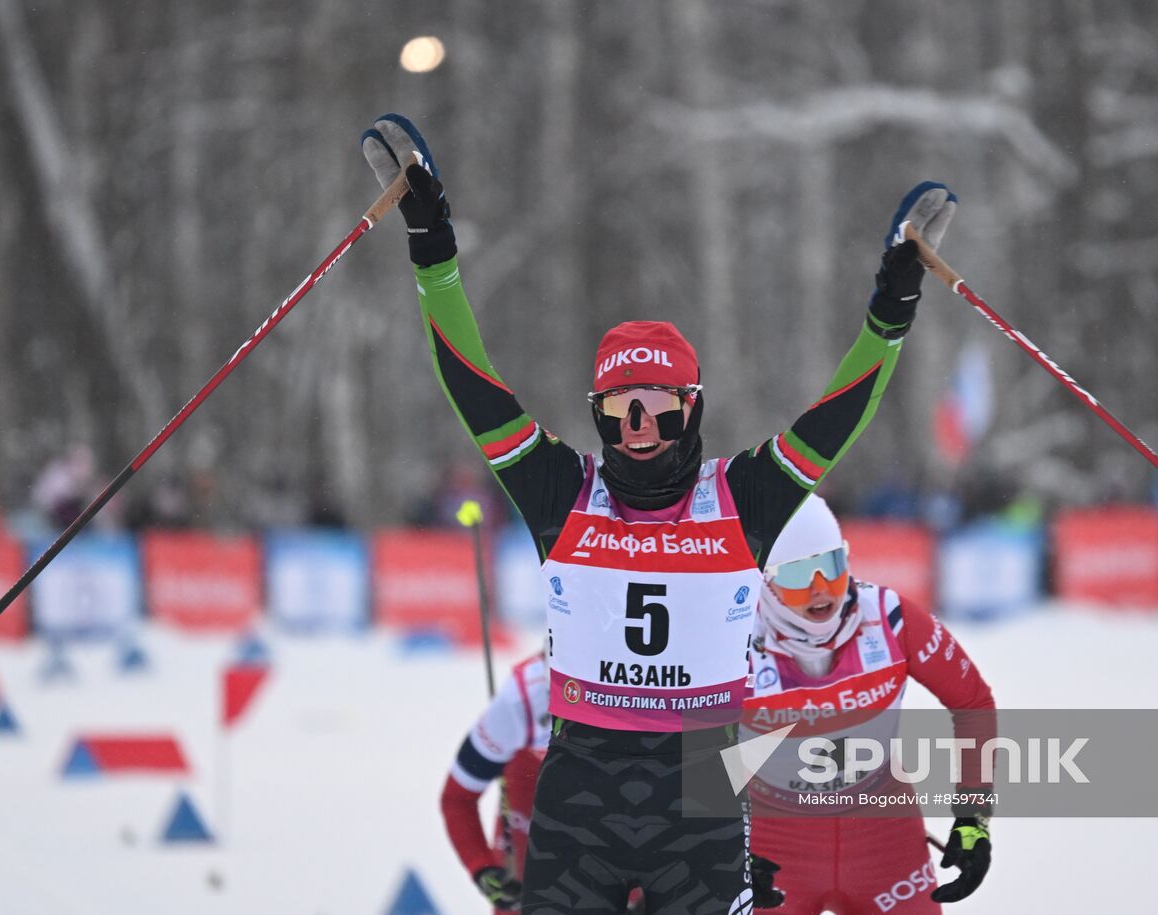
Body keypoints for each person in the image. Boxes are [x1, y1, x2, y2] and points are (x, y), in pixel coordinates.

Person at [362, 112, 957, 914]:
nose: (640, 431)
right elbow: (471, 384)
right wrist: (432, 249)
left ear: (694, 408)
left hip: (701, 806)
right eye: (619, 412)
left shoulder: (742, 498)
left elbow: (837, 416)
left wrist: (892, 308)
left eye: (661, 409)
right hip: (581, 807)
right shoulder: (561, 491)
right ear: (598, 415)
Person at [746, 495, 996, 914]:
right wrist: (722, 842)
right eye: (798, 572)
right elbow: (685, 741)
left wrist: (973, 820)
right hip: (774, 843)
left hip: (883, 837)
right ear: (764, 580)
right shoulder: (733, 634)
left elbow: (972, 702)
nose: (821, 587)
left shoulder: (889, 617)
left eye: (832, 564)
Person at [440, 648, 551, 913]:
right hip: (531, 807)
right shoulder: (521, 701)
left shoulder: (653, 696)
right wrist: (483, 868)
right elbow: (457, 799)